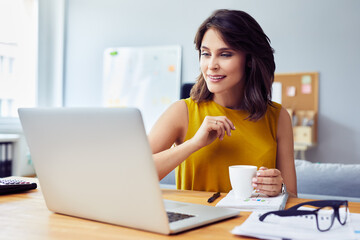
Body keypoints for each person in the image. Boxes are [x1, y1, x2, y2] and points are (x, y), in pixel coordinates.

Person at [148, 9, 297, 197]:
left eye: (225, 54)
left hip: (252, 223)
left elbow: (292, 195)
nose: (211, 65)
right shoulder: (182, 111)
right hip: (196, 224)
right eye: (206, 53)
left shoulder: (278, 117)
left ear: (250, 60)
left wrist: (280, 189)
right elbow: (133, 172)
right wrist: (194, 143)